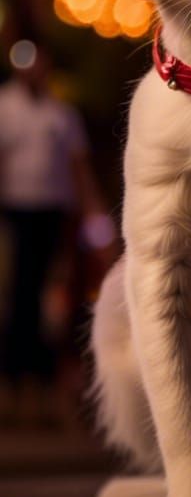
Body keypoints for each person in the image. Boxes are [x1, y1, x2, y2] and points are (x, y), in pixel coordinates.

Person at [0, 39, 98, 425]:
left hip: (54, 215)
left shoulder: (61, 114)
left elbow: (79, 166)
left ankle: (44, 390)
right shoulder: (5, 106)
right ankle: (13, 384)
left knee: (52, 299)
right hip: (15, 212)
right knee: (17, 295)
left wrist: (93, 215)